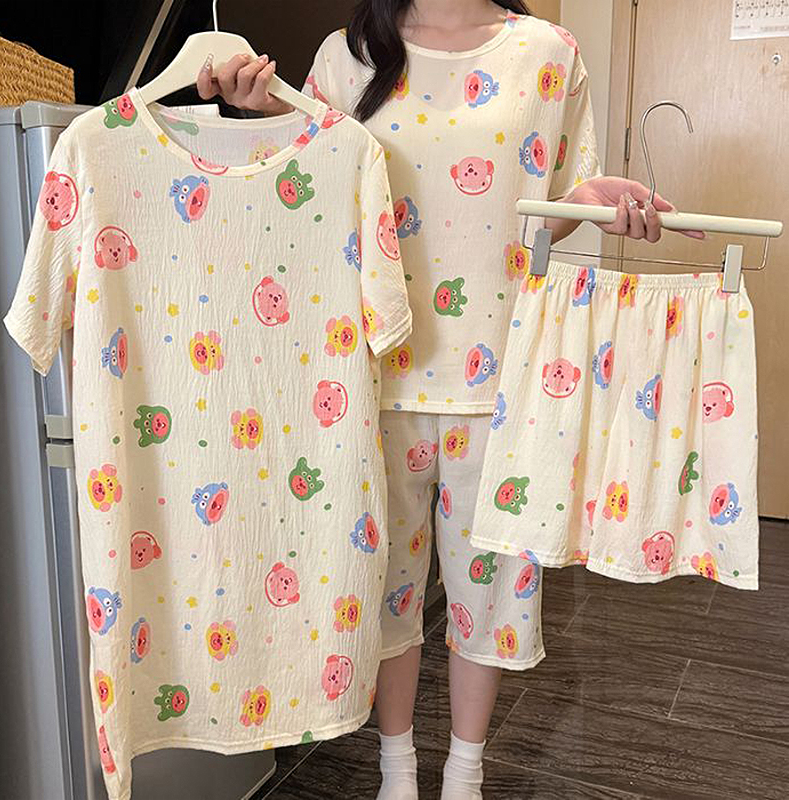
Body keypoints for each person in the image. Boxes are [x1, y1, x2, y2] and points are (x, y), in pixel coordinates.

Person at [198, 2, 702, 798]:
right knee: (385, 596)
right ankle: (396, 772)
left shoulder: (548, 52)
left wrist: (592, 201)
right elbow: (301, 197)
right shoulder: (344, 57)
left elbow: (550, 209)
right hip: (366, 380)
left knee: (486, 601)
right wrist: (258, 116)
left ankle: (466, 773)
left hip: (502, 382)